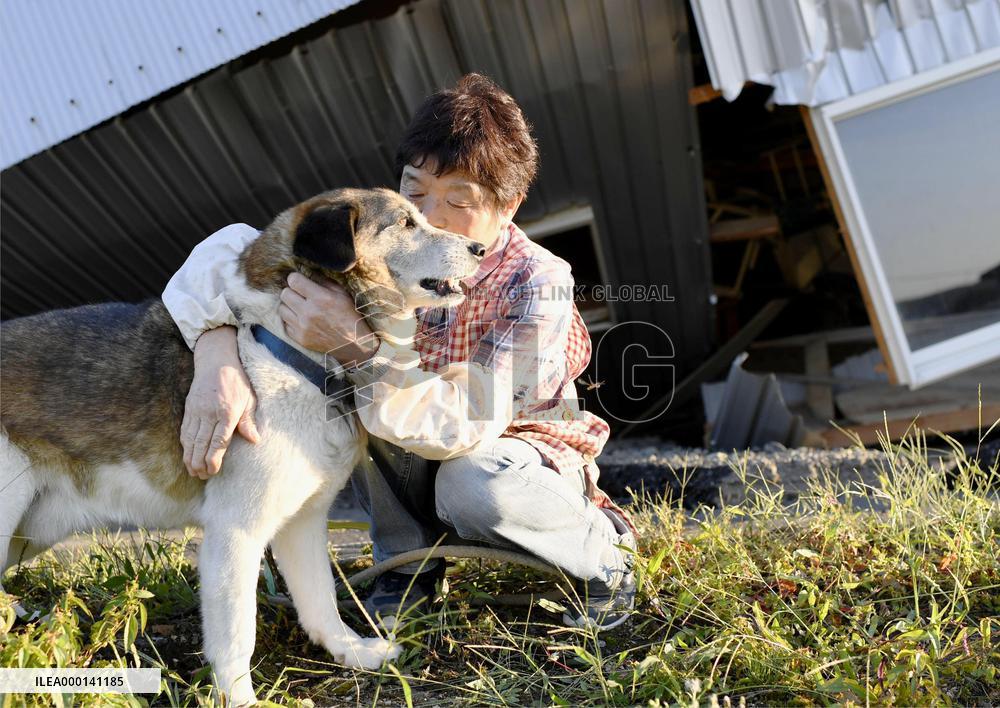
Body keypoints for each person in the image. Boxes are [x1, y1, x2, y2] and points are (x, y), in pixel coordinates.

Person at [161, 73, 636, 631]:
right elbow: (232, 251)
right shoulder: (386, 242)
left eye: (458, 201)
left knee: (470, 480)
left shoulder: (538, 283)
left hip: (511, 453)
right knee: (343, 408)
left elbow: (468, 425)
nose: (430, 220)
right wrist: (215, 351)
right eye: (414, 193)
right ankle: (407, 567)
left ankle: (605, 554)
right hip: (414, 442)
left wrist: (360, 350)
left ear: (509, 207)